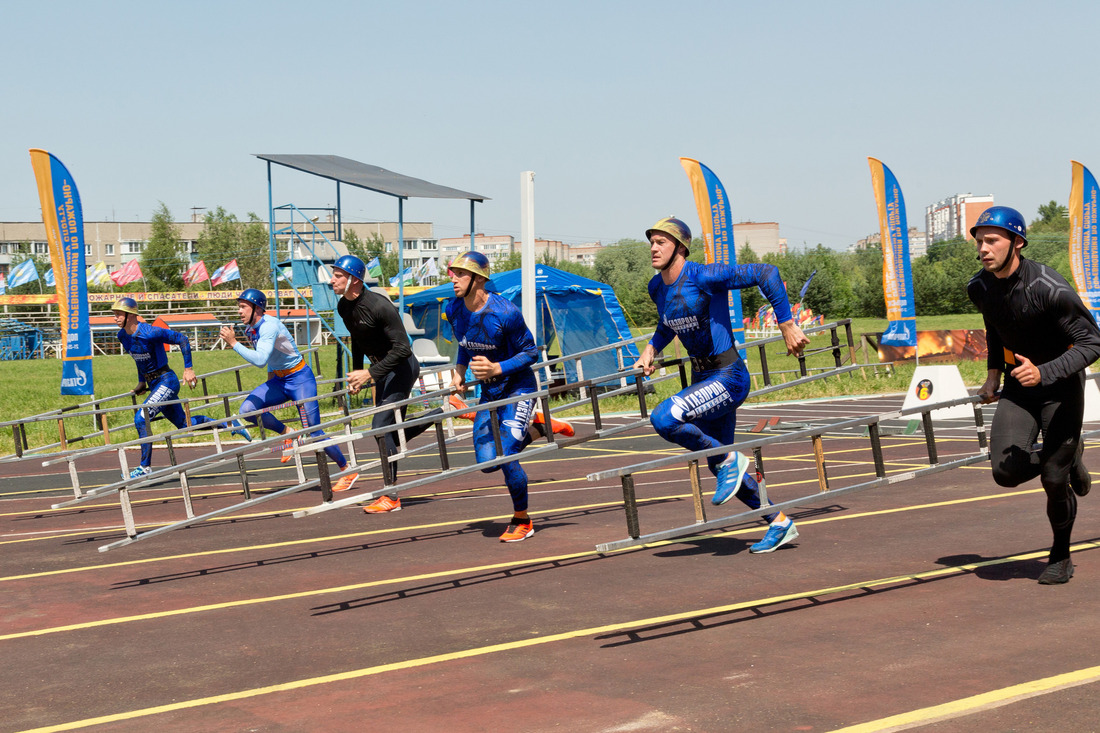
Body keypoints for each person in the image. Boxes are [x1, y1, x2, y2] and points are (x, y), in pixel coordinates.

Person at [633, 217, 809, 553]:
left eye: (662, 242)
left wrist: (786, 324)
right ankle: (779, 522)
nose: (654, 248)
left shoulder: (703, 276)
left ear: (680, 248)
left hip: (728, 376)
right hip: (703, 379)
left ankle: (731, 458)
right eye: (651, 242)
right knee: (715, 461)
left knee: (665, 418)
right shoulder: (657, 288)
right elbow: (669, 322)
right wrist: (651, 348)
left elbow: (767, 272)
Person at [968, 205, 1100, 584]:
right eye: (980, 242)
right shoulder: (979, 287)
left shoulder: (1049, 287)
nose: (983, 249)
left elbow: (1092, 342)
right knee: (1004, 473)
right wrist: (993, 374)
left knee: (1054, 480)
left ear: (1017, 243)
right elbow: (995, 328)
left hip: (1061, 387)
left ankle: (1060, 556)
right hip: (1018, 388)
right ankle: (1069, 453)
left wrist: (1045, 371)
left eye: (992, 240)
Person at [446, 251, 572, 542]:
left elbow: (530, 352)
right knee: (487, 463)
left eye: (460, 274)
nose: (453, 279)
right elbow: (465, 343)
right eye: (452, 273)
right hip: (489, 393)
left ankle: (522, 520)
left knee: (506, 456)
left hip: (519, 388)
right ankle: (540, 426)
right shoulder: (454, 309)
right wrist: (459, 371)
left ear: (479, 280)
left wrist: (496, 367)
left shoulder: (505, 312)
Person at [332, 254, 446, 513]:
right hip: (381, 369)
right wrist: (357, 372)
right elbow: (357, 339)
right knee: (391, 433)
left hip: (402, 367)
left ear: (354, 280)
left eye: (338, 276)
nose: (332, 280)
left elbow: (403, 349)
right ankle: (442, 412)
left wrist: (370, 374)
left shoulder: (379, 306)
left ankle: (391, 495)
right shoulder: (343, 306)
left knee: (380, 428)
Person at [219, 289, 359, 493]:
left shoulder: (269, 326)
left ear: (257, 308)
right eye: (238, 307)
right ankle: (288, 434)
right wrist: (270, 381)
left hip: (300, 379)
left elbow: (259, 359)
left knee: (313, 430)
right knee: (247, 410)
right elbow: (269, 357)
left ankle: (347, 470)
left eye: (243, 307)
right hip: (279, 379)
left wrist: (233, 343)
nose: (239, 311)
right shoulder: (251, 327)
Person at [112, 297, 251, 478]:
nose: (114, 318)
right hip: (154, 385)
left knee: (141, 418)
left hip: (166, 381)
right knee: (185, 424)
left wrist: (188, 369)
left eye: (118, 314)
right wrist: (142, 383)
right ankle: (231, 424)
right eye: (114, 315)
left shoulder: (151, 332)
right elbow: (139, 359)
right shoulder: (122, 336)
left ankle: (144, 467)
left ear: (130, 315)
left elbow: (182, 339)